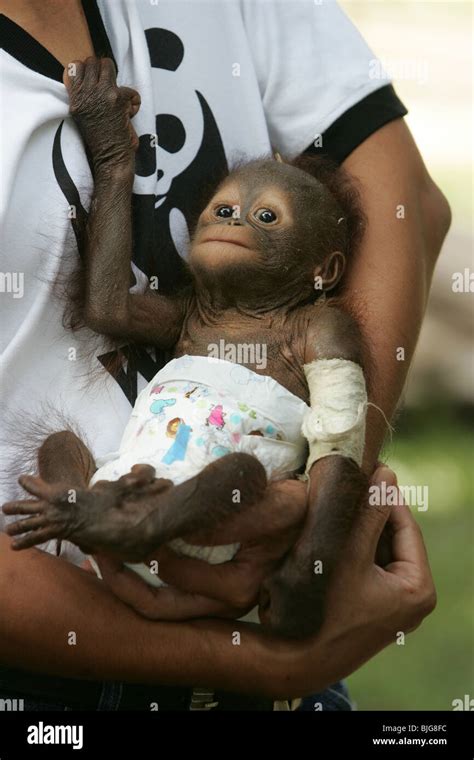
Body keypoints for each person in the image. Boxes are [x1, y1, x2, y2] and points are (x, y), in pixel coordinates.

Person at [0, 0, 447, 710]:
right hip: (67, 607)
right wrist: (114, 164)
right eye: (226, 209)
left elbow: (338, 441)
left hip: (222, 521)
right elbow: (108, 307)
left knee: (239, 471)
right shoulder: (195, 318)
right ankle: (97, 513)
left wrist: (317, 557)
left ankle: (139, 523)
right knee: (58, 446)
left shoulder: (316, 331)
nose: (234, 220)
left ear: (320, 267)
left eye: (266, 217)